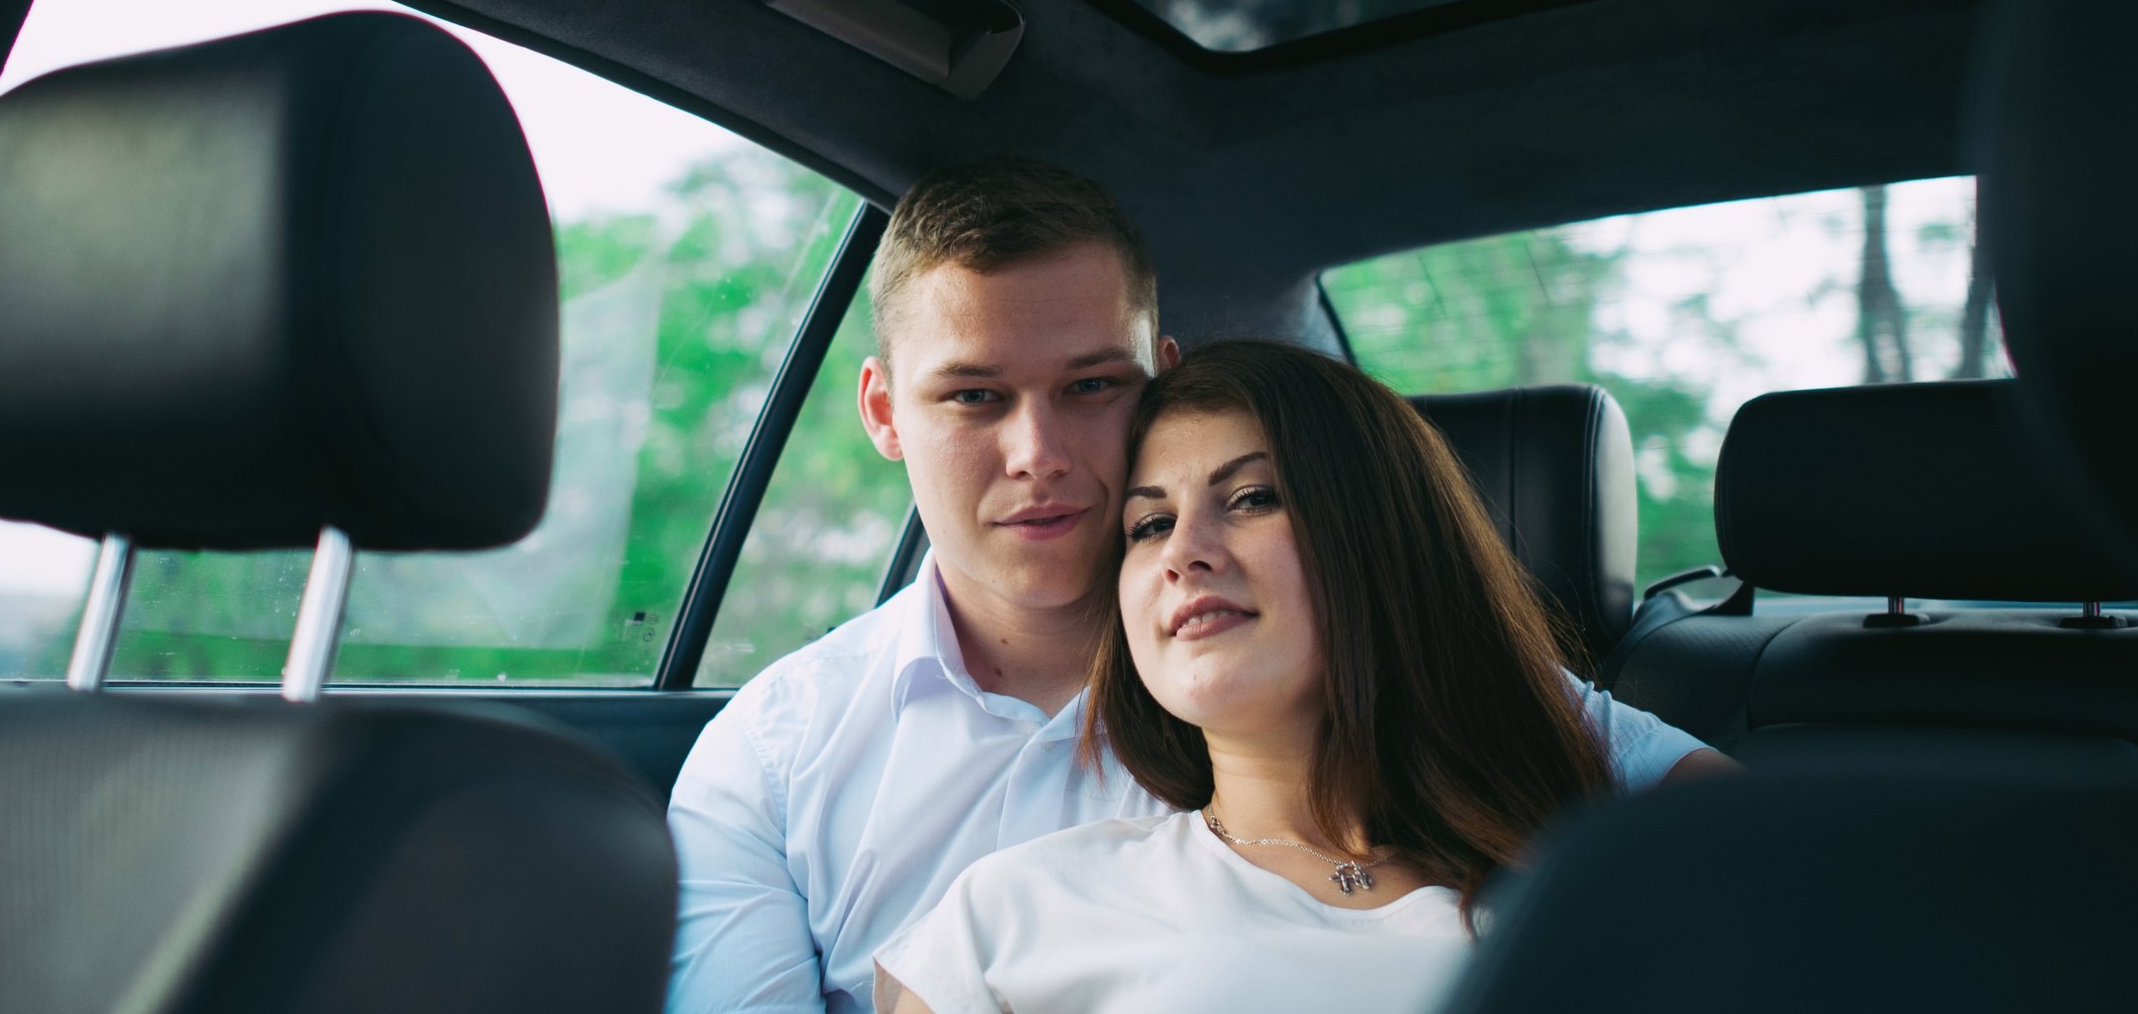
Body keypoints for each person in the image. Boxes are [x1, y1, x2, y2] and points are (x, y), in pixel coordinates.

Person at [666, 159, 1725, 1014]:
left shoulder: (1414, 685)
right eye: (975, 396)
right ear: (884, 411)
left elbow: (1757, 853)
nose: (1038, 452)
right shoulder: (773, 757)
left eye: (1091, 384)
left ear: (1161, 381)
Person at [874, 340, 1685, 1014]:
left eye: (1252, 497)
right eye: (1149, 523)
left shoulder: (1606, 878)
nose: (1184, 552)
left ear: (1379, 539)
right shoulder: (1014, 914)